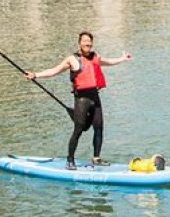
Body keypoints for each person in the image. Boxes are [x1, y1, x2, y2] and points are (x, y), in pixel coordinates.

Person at [24, 31, 132, 170]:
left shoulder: (95, 56)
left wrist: (122, 58)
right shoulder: (72, 59)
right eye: (85, 41)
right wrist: (35, 75)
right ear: (80, 43)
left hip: (95, 97)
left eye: (89, 41)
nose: (87, 43)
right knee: (78, 130)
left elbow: (109, 62)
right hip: (82, 99)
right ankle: (70, 160)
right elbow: (54, 71)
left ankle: (96, 158)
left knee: (99, 127)